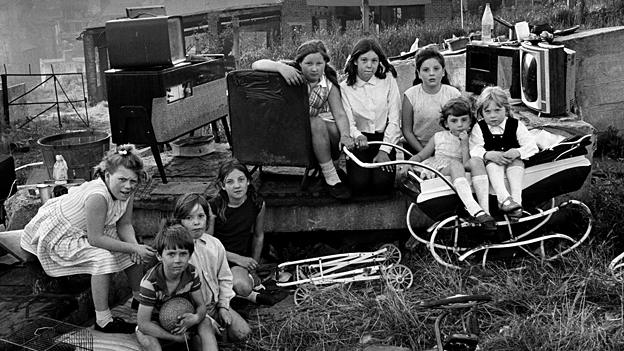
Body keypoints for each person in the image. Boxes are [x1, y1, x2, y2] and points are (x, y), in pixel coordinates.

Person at [20, 144, 155, 333]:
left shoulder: (128, 191)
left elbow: (124, 225)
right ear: (107, 175)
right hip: (63, 235)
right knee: (103, 258)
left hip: (92, 230)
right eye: (122, 179)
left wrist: (134, 247)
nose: (128, 186)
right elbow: (96, 239)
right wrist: (132, 248)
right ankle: (103, 320)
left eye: (132, 181)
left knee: (133, 248)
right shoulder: (97, 196)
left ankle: (140, 300)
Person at [251, 39, 355, 200]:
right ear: (299, 63)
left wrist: (346, 135)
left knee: (334, 129)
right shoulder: (290, 72)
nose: (314, 68)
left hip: (309, 132)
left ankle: (329, 164)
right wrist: (280, 67)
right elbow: (256, 64)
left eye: (319, 63)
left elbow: (340, 114)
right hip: (284, 128)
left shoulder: (328, 85)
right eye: (308, 63)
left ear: (325, 63)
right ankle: (330, 176)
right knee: (316, 121)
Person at [173, 193, 251, 341]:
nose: (196, 223)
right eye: (189, 218)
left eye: (201, 216)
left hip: (214, 304)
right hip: (191, 311)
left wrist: (223, 306)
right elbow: (176, 294)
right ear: (179, 221)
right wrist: (203, 318)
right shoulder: (178, 252)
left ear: (207, 219)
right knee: (206, 341)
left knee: (244, 334)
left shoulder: (214, 245)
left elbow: (225, 278)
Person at [409, 97, 495, 230]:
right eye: (454, 121)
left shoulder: (472, 138)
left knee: (476, 161)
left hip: (460, 170)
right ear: (446, 123)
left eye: (464, 120)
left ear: (470, 121)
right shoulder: (438, 137)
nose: (460, 125)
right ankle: (472, 207)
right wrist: (409, 163)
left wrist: (464, 144)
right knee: (455, 164)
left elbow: (467, 163)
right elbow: (421, 155)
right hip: (441, 170)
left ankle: (485, 211)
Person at [135, 223, 214, 351]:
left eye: (183, 254)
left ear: (190, 255)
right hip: (155, 327)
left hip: (184, 323)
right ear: (160, 256)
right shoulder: (149, 284)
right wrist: (175, 338)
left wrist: (195, 318)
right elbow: (143, 324)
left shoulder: (192, 273)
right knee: (148, 339)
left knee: (205, 322)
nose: (177, 260)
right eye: (171, 254)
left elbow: (201, 306)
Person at [340, 38, 402, 195]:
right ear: (355, 61)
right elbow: (348, 122)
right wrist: (358, 136)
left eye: (374, 60)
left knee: (382, 185)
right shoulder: (345, 87)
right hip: (360, 141)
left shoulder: (388, 80)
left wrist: (385, 150)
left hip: (384, 139)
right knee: (359, 185)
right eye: (364, 60)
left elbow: (395, 120)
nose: (369, 65)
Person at [209, 159, 274, 305]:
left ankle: (239, 293)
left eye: (241, 180)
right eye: (230, 182)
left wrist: (253, 267)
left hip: (238, 263)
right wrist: (238, 258)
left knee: (243, 287)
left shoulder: (257, 203)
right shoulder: (214, 207)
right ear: (222, 186)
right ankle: (247, 297)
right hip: (216, 259)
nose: (237, 186)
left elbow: (258, 236)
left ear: (248, 181)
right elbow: (208, 245)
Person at [469, 86, 539, 219]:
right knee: (493, 162)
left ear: (506, 110)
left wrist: (517, 151)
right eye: (487, 111)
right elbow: (474, 148)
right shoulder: (480, 127)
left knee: (516, 162)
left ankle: (517, 202)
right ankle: (503, 198)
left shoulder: (515, 124)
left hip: (514, 163)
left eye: (497, 110)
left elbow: (532, 146)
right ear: (481, 113)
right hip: (493, 164)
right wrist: (487, 154)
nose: (493, 115)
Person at [402, 46, 461, 155]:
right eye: (426, 70)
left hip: (448, 148)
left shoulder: (454, 94)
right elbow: (407, 131)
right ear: (419, 74)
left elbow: (461, 124)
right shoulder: (410, 95)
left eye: (436, 69)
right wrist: (424, 153)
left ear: (443, 72)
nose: (431, 73)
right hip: (416, 149)